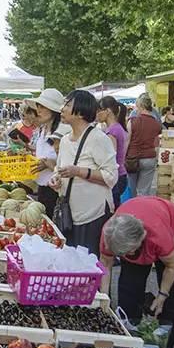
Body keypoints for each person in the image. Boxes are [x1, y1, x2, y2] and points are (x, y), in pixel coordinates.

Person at [100, 197, 174, 348]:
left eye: (128, 252)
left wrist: (162, 295)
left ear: (139, 242)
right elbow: (106, 265)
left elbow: (172, 265)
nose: (125, 255)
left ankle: (167, 344)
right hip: (130, 228)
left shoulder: (159, 237)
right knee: (129, 287)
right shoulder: (110, 234)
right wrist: (105, 298)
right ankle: (130, 335)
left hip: (172, 227)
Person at [50, 89, 117, 254]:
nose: (62, 108)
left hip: (93, 215)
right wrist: (55, 180)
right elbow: (58, 169)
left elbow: (111, 176)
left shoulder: (98, 139)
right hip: (69, 215)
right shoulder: (65, 140)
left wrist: (79, 171)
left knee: (89, 263)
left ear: (80, 112)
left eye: (67, 104)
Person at [29, 88, 65, 218]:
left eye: (43, 106)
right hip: (42, 186)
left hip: (56, 189)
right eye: (38, 106)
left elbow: (68, 162)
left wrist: (49, 164)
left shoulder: (62, 132)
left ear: (53, 110)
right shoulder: (42, 130)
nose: (38, 110)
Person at [126, 93, 161, 197]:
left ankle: (131, 209)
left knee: (131, 189)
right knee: (144, 191)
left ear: (140, 106)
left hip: (132, 159)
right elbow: (156, 143)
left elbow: (127, 141)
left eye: (137, 106)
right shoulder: (156, 124)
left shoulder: (132, 121)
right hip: (149, 158)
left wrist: (123, 156)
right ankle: (142, 210)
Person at [97, 96, 129, 209]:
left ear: (108, 111)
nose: (97, 113)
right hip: (121, 174)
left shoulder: (112, 131)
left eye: (99, 110)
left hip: (116, 176)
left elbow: (111, 158)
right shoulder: (118, 127)